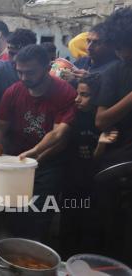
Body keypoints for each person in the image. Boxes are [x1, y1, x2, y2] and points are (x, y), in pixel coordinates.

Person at [0, 45, 77, 241]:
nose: (23, 78)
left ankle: (35, 257)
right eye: (19, 72)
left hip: (49, 163)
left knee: (38, 216)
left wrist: (36, 153)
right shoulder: (13, 92)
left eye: (29, 73)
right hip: (17, 162)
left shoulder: (64, 92)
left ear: (47, 69)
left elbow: (59, 133)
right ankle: (9, 251)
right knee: (11, 212)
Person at [59, 74, 118, 257]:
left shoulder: (108, 122)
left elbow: (99, 163)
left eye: (85, 95)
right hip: (71, 182)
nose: (77, 99)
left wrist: (101, 144)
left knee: (89, 231)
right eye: (78, 93)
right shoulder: (74, 115)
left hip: (94, 187)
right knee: (68, 226)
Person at [90, 7, 132, 261]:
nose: (120, 53)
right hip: (120, 169)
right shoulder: (115, 71)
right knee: (117, 239)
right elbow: (101, 120)